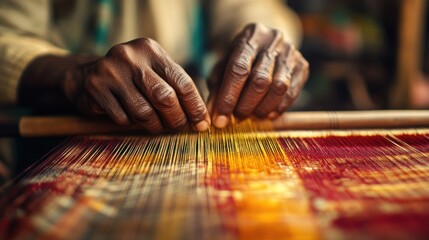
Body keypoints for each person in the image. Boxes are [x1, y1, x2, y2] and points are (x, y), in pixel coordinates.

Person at [0, 0, 309, 134]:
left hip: (180, 112)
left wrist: (261, 39)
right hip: (47, 130)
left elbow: (252, 8)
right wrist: (74, 77)